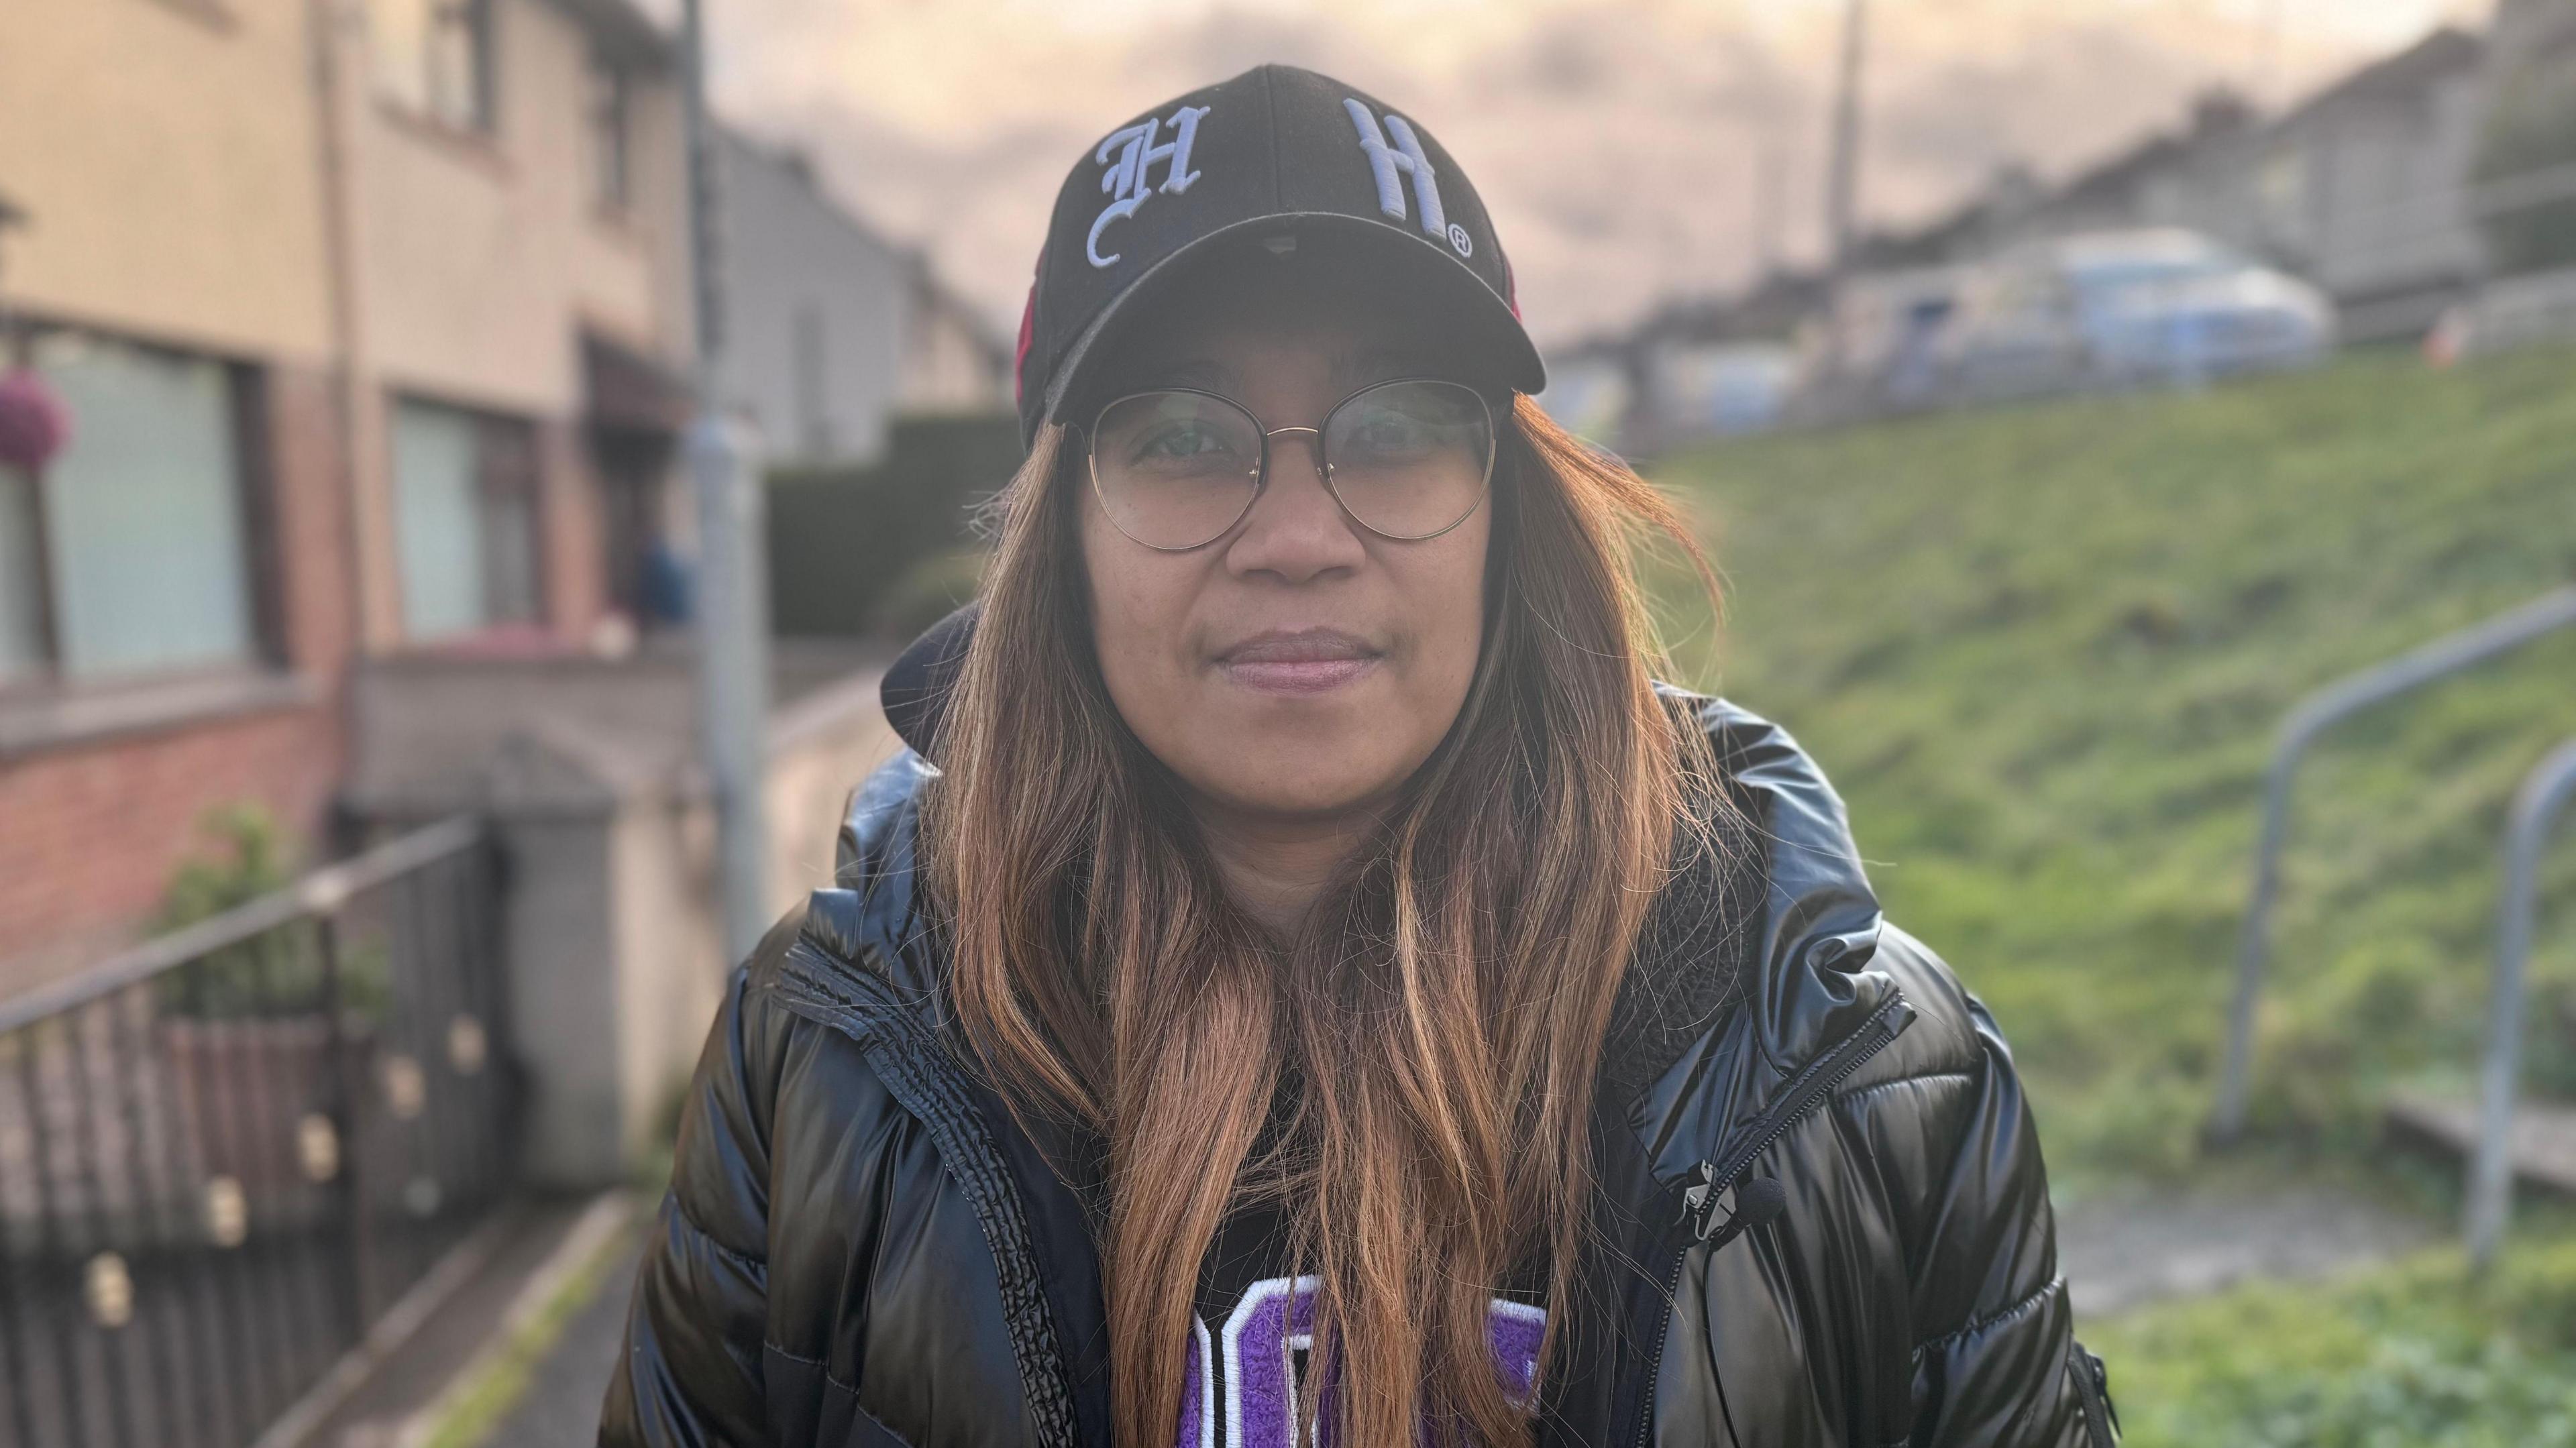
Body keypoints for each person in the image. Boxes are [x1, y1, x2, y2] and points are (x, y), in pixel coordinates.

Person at [600, 64, 2118, 1448]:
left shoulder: (1875, 1075)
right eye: (1182, 437)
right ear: (1062, 532)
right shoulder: (822, 1057)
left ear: (1506, 510)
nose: (1303, 540)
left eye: (1397, 425)